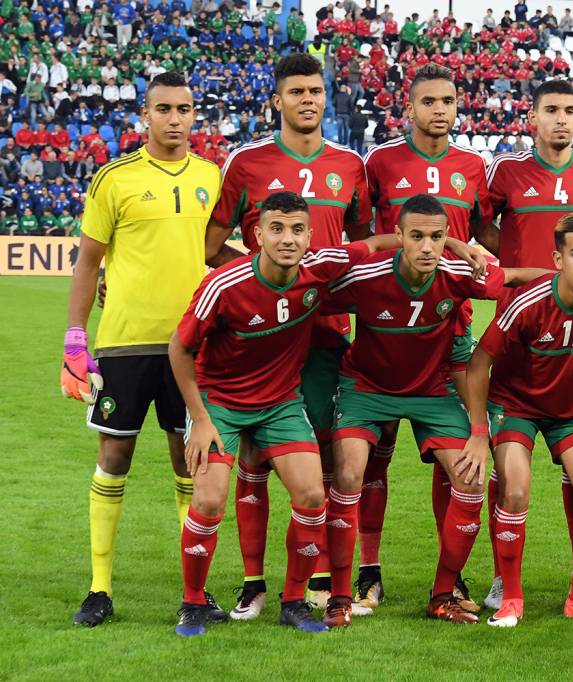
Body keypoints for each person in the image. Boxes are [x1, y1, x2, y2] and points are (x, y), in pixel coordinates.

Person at [168, 192, 393, 637]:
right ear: (256, 235)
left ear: (310, 235)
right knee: (209, 499)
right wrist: (200, 418)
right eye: (276, 228)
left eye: (296, 230)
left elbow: (379, 243)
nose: (287, 239)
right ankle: (192, 603)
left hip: (280, 405)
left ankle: (294, 601)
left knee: (312, 495)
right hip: (220, 404)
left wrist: (456, 248)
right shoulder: (225, 284)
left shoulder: (318, 269)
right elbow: (179, 347)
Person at [319, 195, 544, 628]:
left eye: (437, 238)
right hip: (365, 389)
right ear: (398, 236)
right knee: (348, 474)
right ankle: (340, 597)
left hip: (431, 391)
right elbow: (309, 291)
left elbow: (514, 278)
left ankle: (443, 594)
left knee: (470, 478)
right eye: (417, 236)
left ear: (447, 239)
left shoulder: (456, 273)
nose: (426, 247)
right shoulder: (365, 276)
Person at [203, 53, 373, 619]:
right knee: (251, 456)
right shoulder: (246, 162)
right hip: (262, 338)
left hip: (324, 334)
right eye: (296, 91)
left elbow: (360, 247)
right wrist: (260, 283)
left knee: (319, 455)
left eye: (316, 90)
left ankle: (316, 576)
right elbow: (210, 245)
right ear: (276, 100)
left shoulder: (351, 165)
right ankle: (253, 581)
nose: (308, 100)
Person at [62, 72, 224, 628]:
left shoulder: (211, 176)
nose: (175, 118)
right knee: (114, 459)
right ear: (145, 116)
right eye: (164, 109)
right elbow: (88, 260)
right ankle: (99, 589)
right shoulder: (115, 178)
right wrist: (75, 338)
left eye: (184, 108)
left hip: (190, 341)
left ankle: (194, 593)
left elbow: (215, 247)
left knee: (191, 461)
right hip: (125, 344)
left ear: (194, 114)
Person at [356, 63, 493, 614]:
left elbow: (485, 241)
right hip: (386, 332)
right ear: (408, 108)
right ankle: (368, 569)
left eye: (449, 100)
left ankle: (450, 577)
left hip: (450, 334)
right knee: (373, 460)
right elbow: (362, 238)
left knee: (454, 459)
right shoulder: (380, 162)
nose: (440, 109)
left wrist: (470, 250)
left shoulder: (472, 166)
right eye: (429, 101)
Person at [465, 212, 573, 628]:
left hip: (571, 409)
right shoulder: (529, 303)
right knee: (515, 491)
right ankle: (510, 597)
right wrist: (478, 431)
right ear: (557, 258)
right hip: (516, 405)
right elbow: (479, 364)